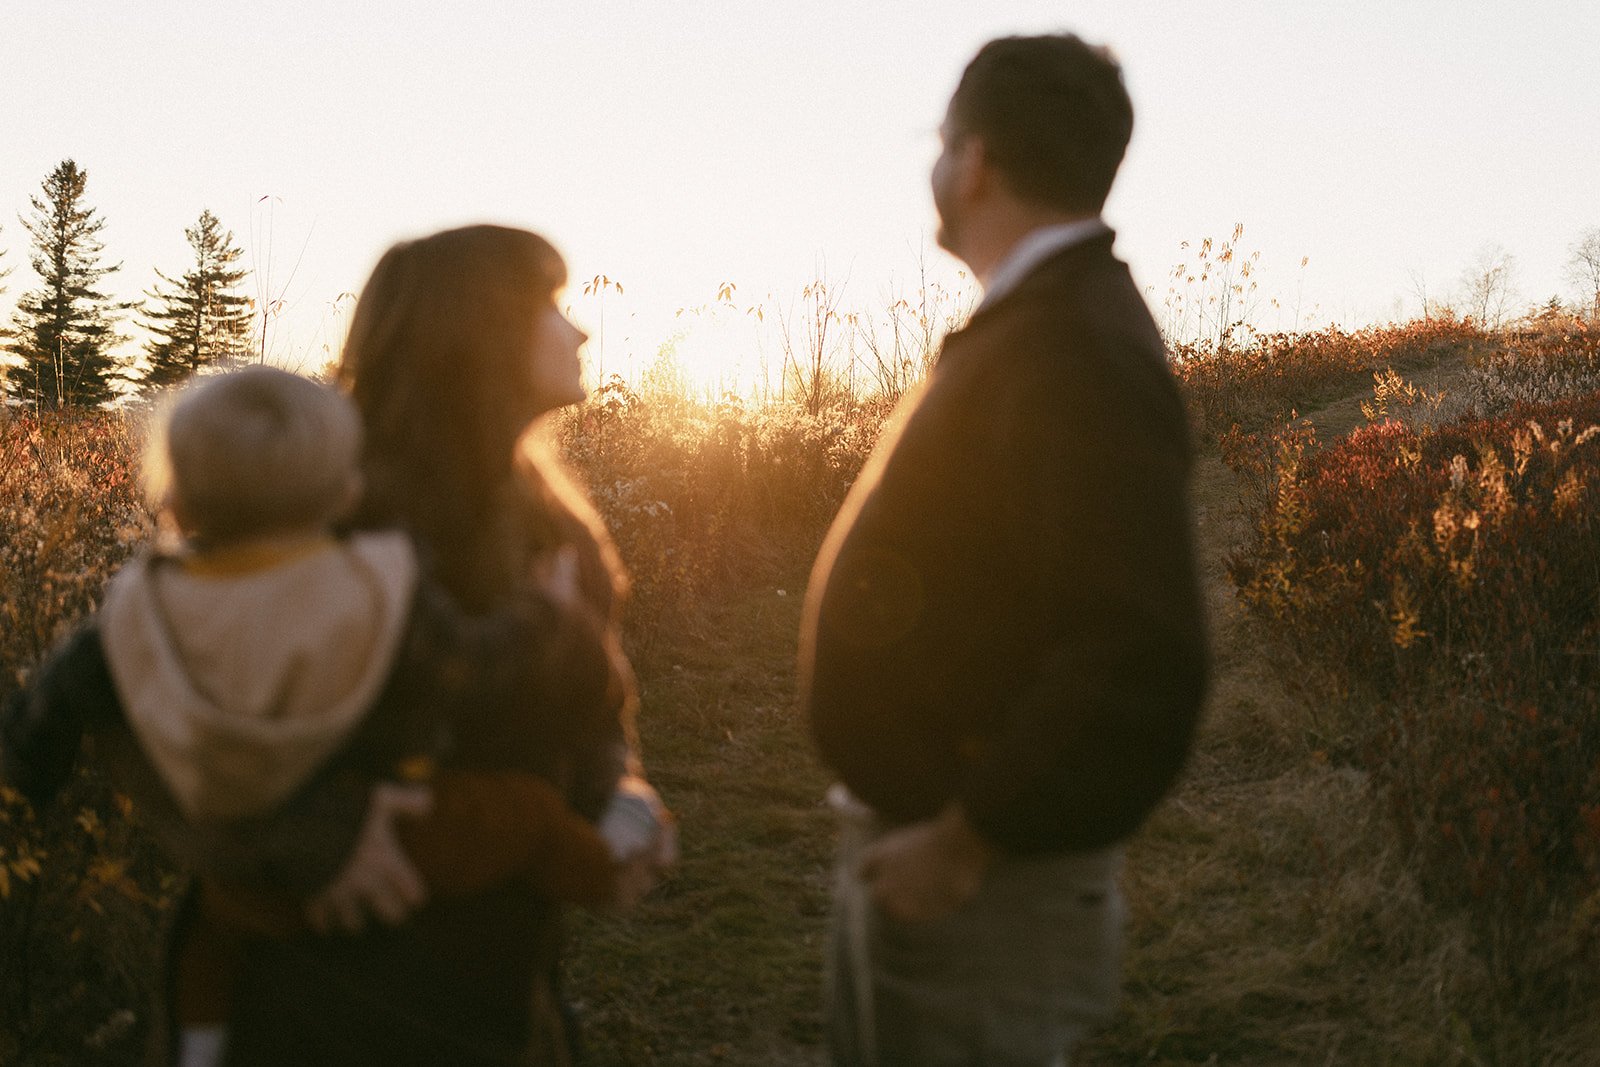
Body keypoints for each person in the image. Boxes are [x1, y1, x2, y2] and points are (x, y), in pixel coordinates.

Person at [1, 363, 671, 1066]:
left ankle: (199, 1046)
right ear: (347, 489)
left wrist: (26, 784)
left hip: (245, 874)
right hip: (397, 840)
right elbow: (471, 666)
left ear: (176, 494)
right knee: (525, 816)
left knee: (209, 939)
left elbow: (41, 714)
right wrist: (549, 614)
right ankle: (607, 862)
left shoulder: (138, 608)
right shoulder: (371, 588)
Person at [799, 34, 1209, 1065]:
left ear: (973, 161)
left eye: (941, 143)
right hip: (936, 855)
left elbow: (1138, 652)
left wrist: (967, 837)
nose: (937, 167)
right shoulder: (1041, 322)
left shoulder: (1073, 346)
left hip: (979, 889)